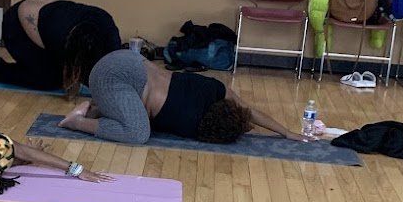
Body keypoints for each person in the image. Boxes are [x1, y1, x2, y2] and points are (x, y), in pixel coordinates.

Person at [58, 47, 302, 146]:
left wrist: (286, 131)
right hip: (108, 78)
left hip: (127, 58)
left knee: (138, 109)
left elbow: (249, 111)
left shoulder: (217, 90)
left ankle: (97, 108)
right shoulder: (190, 124)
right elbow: (247, 117)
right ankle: (76, 121)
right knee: (138, 133)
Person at [0, 0, 122, 96]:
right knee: (49, 80)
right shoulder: (60, 37)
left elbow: (115, 68)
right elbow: (78, 80)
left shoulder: (108, 30)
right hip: (16, 27)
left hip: (45, 15)